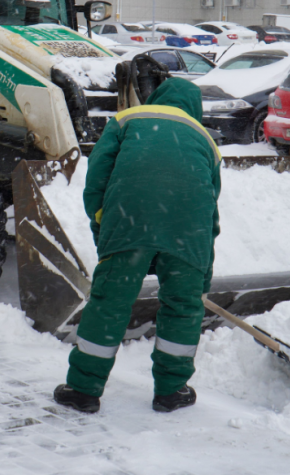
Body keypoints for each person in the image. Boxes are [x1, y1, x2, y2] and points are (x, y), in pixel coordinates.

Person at [54, 75, 222, 413]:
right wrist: (201, 276)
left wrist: (106, 232)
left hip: (130, 219)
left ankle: (84, 390)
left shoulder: (127, 119)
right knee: (184, 307)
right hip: (189, 231)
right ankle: (171, 392)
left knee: (109, 303)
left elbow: (98, 177)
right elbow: (210, 211)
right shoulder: (205, 140)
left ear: (157, 97)